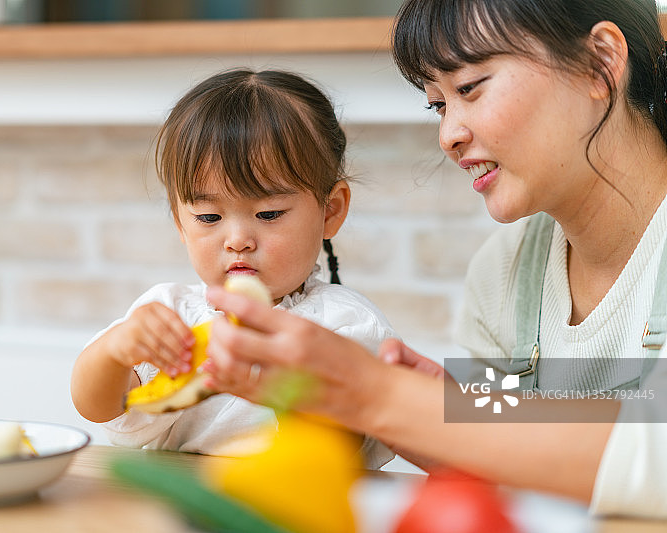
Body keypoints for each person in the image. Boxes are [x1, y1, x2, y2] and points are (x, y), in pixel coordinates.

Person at [201, 0, 667, 518]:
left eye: (469, 88)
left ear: (599, 63)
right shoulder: (506, 270)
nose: (449, 136)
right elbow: (514, 485)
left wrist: (380, 397)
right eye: (438, 105)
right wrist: (441, 412)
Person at [70, 68, 396, 469]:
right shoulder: (171, 314)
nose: (237, 239)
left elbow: (346, 446)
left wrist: (284, 386)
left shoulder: (346, 325)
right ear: (180, 223)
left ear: (330, 211)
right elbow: (97, 408)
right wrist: (113, 352)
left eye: (269, 213)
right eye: (208, 217)